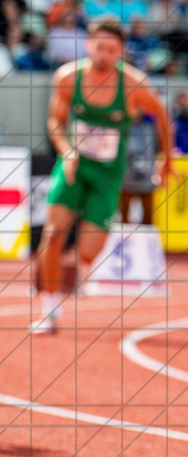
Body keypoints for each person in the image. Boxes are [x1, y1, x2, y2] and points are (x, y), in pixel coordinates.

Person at [33, 19, 173, 334]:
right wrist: (66, 149)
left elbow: (162, 116)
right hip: (73, 167)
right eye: (99, 47)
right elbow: (55, 122)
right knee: (52, 233)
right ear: (88, 45)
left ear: (121, 51)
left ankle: (74, 267)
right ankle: (50, 309)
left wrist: (164, 159)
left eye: (111, 50)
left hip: (108, 175)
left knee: (87, 251)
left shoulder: (134, 84)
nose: (104, 55)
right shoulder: (68, 78)